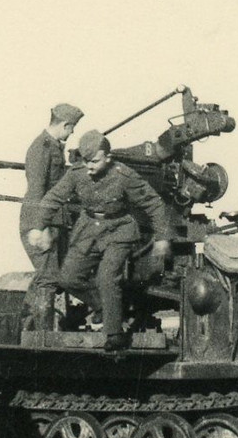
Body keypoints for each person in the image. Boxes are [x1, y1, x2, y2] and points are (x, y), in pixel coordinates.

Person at [28, 129, 173, 351]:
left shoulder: (124, 176)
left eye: (94, 161)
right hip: (88, 230)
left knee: (107, 277)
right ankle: (105, 306)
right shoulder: (77, 173)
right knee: (67, 278)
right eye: (86, 161)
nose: (89, 166)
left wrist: (162, 238)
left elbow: (154, 204)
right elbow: (53, 198)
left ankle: (115, 334)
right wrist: (38, 227)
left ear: (108, 157)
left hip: (119, 230)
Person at [20, 102, 85, 330]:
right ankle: (42, 336)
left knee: (51, 276)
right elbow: (37, 190)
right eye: (72, 127)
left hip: (54, 221)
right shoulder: (42, 148)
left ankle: (26, 324)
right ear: (65, 125)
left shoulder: (52, 146)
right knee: (48, 279)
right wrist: (41, 227)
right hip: (43, 223)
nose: (73, 132)